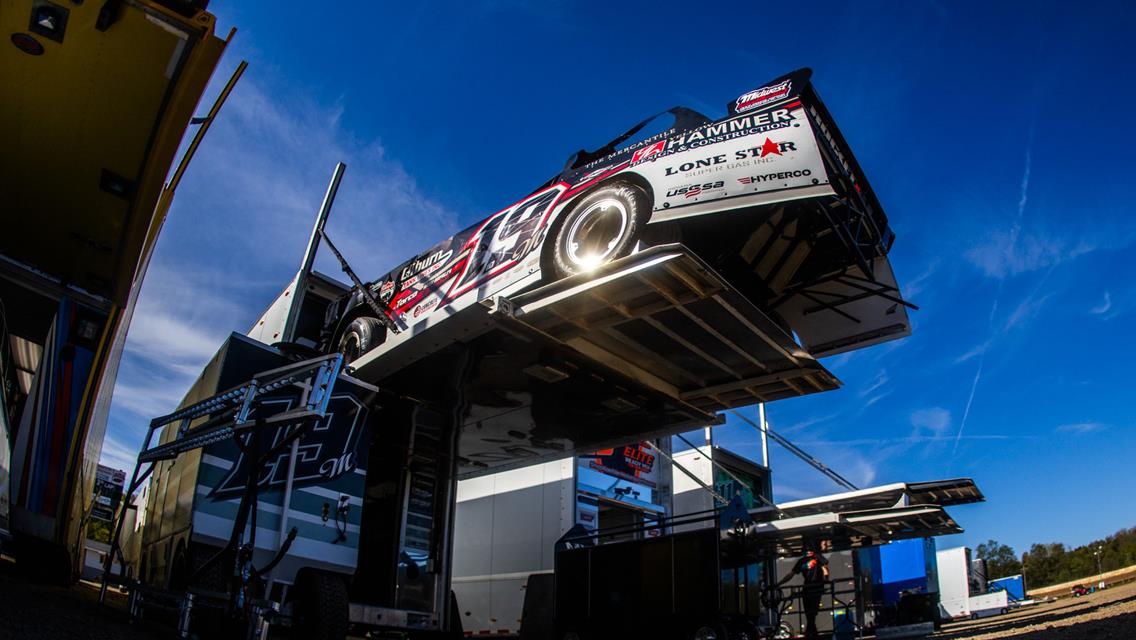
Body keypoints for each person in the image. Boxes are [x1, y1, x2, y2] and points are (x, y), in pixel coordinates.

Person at [779, 541, 829, 639]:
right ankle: (812, 635)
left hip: (816, 588)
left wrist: (826, 581)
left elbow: (825, 569)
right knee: (809, 615)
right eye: (807, 550)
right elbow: (791, 574)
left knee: (811, 614)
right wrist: (780, 583)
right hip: (807, 588)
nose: (809, 552)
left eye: (810, 550)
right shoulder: (802, 561)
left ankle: (810, 635)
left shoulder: (818, 557)